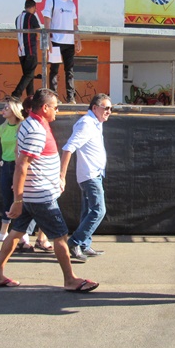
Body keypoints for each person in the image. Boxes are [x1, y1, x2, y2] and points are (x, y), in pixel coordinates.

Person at [0, 88, 99, 291]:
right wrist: (17, 200)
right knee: (60, 236)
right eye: (55, 107)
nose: (57, 111)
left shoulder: (31, 123)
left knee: (16, 233)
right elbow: (22, 165)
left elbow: (23, 158)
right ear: (45, 108)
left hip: (33, 194)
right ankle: (70, 280)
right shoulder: (35, 130)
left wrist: (24, 192)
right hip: (40, 197)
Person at [0, 96, 53, 253]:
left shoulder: (27, 126)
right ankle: (7, 235)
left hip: (24, 168)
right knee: (11, 200)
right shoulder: (4, 128)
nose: (3, 110)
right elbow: (14, 150)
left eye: (7, 108)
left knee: (28, 203)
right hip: (10, 166)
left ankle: (28, 239)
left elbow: (22, 153)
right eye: (3, 107)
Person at [59, 93, 112, 262]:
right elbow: (68, 148)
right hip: (90, 176)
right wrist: (62, 176)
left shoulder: (96, 123)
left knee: (88, 211)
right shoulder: (86, 124)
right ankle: (74, 242)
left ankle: (83, 244)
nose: (109, 112)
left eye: (111, 109)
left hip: (95, 173)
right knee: (98, 210)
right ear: (95, 108)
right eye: (106, 108)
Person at [43, 0, 82, 104]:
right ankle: (53, 98)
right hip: (55, 41)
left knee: (69, 71)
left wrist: (78, 39)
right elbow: (47, 20)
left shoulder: (71, 5)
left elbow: (74, 24)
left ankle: (71, 98)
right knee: (54, 70)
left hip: (69, 43)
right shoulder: (52, 0)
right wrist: (48, 39)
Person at [11, 0, 40, 99]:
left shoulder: (17, 18)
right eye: (35, 8)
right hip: (30, 49)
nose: (35, 10)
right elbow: (39, 31)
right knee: (29, 74)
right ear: (33, 7)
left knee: (28, 76)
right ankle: (16, 93)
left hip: (21, 51)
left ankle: (30, 97)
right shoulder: (31, 17)